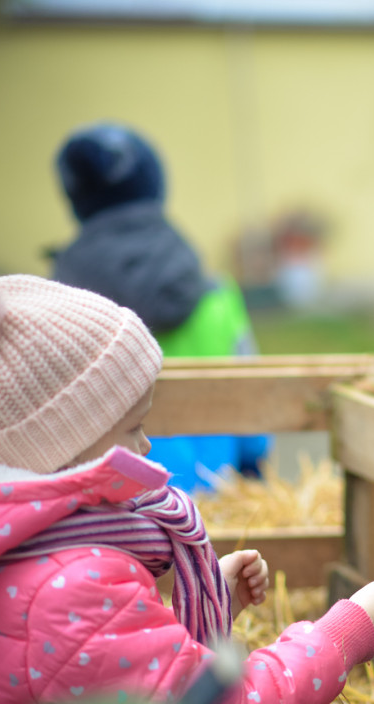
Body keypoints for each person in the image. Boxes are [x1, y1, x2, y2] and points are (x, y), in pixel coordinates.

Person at [0, 272, 374, 704]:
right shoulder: (77, 587)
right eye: (133, 427)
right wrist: (349, 633)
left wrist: (208, 605)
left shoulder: (18, 550)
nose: (147, 447)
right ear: (63, 446)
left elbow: (106, 671)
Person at [50, 121, 268, 493]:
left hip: (108, 510)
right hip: (214, 498)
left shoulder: (56, 308)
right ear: (156, 186)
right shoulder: (216, 295)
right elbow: (255, 429)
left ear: (75, 198)